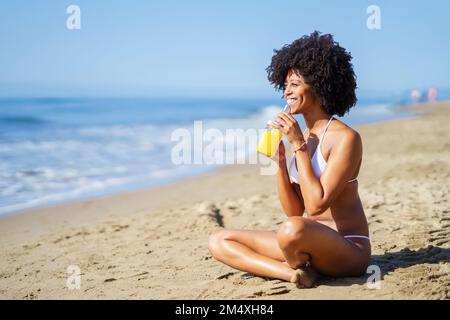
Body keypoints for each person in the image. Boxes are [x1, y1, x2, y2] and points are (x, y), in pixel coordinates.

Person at [208, 31, 371, 288]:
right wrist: (280, 163)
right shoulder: (303, 136)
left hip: (348, 247)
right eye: (285, 86)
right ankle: (292, 274)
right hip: (302, 239)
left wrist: (298, 145)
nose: (287, 92)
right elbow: (295, 209)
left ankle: (295, 263)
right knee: (220, 241)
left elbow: (316, 205)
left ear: (318, 85)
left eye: (294, 84)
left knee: (291, 229)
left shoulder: (346, 138)